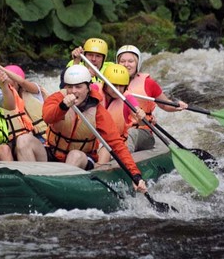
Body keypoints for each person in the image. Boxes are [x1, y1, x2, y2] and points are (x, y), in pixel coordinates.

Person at [42, 64, 147, 192]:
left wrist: (135, 175)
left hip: (82, 158)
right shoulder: (57, 98)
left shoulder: (98, 111)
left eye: (78, 87)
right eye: (70, 87)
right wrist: (63, 107)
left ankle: (59, 191)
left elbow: (116, 144)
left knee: (74, 155)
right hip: (53, 151)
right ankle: (29, 185)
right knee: (25, 141)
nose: (73, 91)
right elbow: (48, 117)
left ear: (88, 88)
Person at [116, 45, 188, 152]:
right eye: (122, 61)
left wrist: (177, 105)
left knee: (130, 134)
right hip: (118, 130)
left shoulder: (148, 83)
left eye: (130, 61)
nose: (126, 65)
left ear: (137, 63)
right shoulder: (110, 83)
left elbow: (164, 104)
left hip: (141, 131)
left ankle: (125, 162)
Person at [96, 63, 148, 165]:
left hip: (114, 143)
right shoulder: (95, 89)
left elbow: (141, 122)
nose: (118, 89)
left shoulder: (127, 98)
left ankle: (98, 170)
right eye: (114, 85)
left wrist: (141, 116)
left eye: (121, 86)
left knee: (106, 149)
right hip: (92, 140)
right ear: (105, 84)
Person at [0, 63, 49, 142]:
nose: (7, 81)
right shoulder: (4, 99)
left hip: (43, 137)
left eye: (9, 78)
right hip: (19, 140)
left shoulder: (34, 90)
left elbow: (23, 82)